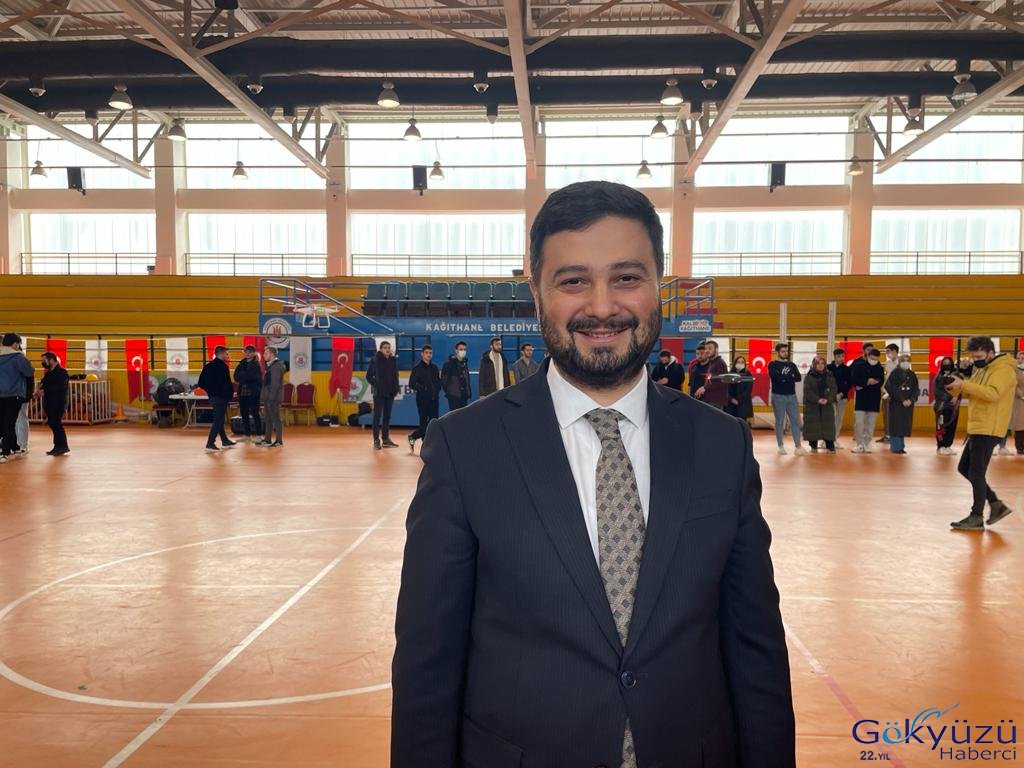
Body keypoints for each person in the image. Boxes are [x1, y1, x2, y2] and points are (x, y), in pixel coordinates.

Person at [392, 180, 794, 768]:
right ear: (536, 292)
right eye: (573, 281)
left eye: (627, 277)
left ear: (659, 286)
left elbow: (755, 648)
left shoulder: (722, 445)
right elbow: (427, 665)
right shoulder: (463, 448)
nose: (602, 307)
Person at [946, 337, 1017, 530]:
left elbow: (993, 394)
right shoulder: (983, 369)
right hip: (978, 426)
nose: (975, 360)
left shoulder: (1003, 370)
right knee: (965, 468)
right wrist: (954, 386)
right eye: (973, 357)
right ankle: (996, 504)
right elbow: (972, 392)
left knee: (976, 472)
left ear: (990, 353)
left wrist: (964, 385)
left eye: (978, 356)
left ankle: (976, 516)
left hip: (989, 427)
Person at [0, 333, 34, 464]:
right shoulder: (18, 357)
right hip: (14, 394)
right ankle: (5, 452)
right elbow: (29, 371)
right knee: (10, 423)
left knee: (2, 421)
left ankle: (14, 447)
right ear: (15, 343)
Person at [196, 345, 237, 453]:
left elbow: (201, 383)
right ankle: (210, 443)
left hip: (213, 397)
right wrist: (228, 393)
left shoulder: (208, 366)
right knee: (218, 421)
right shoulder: (223, 367)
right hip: (221, 398)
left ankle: (224, 441)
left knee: (220, 419)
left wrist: (211, 391)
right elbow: (226, 384)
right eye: (226, 353)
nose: (227, 355)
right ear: (221, 353)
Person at [768, 342, 806, 455]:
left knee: (795, 421)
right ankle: (780, 446)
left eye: (786, 351)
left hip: (792, 396)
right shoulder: (773, 364)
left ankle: (798, 446)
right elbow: (776, 377)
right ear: (777, 352)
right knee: (780, 421)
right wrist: (790, 376)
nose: (785, 353)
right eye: (783, 351)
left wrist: (785, 377)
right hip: (778, 396)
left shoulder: (792, 365)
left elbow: (798, 377)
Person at [407, 344, 441, 454]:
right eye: (426, 353)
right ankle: (425, 444)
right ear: (422, 354)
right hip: (422, 400)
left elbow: (438, 382)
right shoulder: (417, 368)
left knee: (433, 422)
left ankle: (414, 436)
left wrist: (436, 390)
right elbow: (412, 384)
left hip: (434, 399)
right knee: (423, 423)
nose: (429, 355)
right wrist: (424, 388)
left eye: (430, 353)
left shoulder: (434, 368)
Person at [367, 340, 400, 449]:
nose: (387, 349)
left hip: (390, 393)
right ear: (380, 349)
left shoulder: (393, 360)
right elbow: (368, 376)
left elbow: (396, 376)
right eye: (385, 347)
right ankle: (376, 440)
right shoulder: (375, 360)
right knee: (377, 417)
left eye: (389, 347)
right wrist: (378, 385)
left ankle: (385, 439)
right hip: (379, 394)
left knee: (387, 417)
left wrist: (396, 388)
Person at [884, 353, 919, 455]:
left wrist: (911, 400)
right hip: (897, 404)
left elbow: (916, 389)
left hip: (908, 404)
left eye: (908, 360)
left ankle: (901, 447)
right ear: (900, 362)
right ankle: (895, 447)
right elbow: (890, 387)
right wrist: (902, 399)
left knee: (903, 425)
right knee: (896, 425)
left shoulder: (912, 374)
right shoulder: (895, 373)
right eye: (904, 360)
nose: (906, 362)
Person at [851, 348, 884, 453]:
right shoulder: (859, 366)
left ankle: (865, 443)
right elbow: (854, 379)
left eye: (876, 359)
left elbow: (881, 381)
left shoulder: (880, 368)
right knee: (859, 422)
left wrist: (875, 382)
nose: (874, 361)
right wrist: (866, 381)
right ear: (868, 356)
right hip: (861, 398)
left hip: (874, 399)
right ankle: (859, 444)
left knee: (870, 424)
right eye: (872, 358)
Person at [802, 355, 837, 453]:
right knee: (813, 426)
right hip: (813, 406)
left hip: (827, 405)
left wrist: (828, 400)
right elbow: (807, 392)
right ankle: (813, 446)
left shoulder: (830, 376)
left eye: (822, 363)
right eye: (818, 363)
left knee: (828, 426)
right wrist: (817, 400)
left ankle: (830, 446)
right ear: (814, 365)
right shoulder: (809, 377)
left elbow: (834, 389)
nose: (820, 365)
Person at [37, 352, 69, 456]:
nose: (43, 363)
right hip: (49, 403)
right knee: (53, 424)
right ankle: (58, 446)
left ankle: (62, 446)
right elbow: (44, 384)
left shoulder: (62, 372)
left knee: (56, 424)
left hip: (58, 403)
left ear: (51, 360)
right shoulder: (49, 373)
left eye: (44, 360)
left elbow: (60, 387)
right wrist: (39, 390)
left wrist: (45, 390)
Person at [233, 344, 263, 441]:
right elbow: (235, 377)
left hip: (253, 392)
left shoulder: (256, 364)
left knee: (255, 413)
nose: (247, 354)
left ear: (254, 353)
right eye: (246, 352)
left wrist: (243, 375)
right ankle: (247, 435)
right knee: (244, 413)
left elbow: (254, 377)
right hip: (242, 392)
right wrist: (245, 376)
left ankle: (259, 435)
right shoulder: (241, 363)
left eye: (250, 352)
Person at [256, 346, 285, 448]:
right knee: (268, 419)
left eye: (266, 353)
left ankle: (279, 441)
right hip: (268, 397)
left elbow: (275, 385)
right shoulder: (270, 366)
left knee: (276, 419)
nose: (264, 355)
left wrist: (271, 398)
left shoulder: (276, 367)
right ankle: (267, 439)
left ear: (272, 354)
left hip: (273, 398)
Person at [933, 357, 961, 456]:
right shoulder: (938, 377)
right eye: (944, 363)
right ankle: (941, 446)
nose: (947, 365)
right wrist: (951, 396)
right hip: (942, 406)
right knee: (941, 426)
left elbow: (961, 388)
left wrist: (957, 396)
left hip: (953, 407)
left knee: (952, 426)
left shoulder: (956, 376)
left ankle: (948, 445)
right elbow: (937, 392)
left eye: (949, 363)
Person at [827, 348, 852, 447]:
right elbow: (825, 382)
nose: (841, 358)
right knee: (829, 418)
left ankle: (834, 439)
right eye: (839, 356)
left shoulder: (847, 369)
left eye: (842, 356)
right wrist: (832, 394)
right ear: (834, 357)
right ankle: (826, 439)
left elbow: (849, 383)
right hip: (829, 397)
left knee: (839, 418)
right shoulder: (828, 368)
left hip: (842, 397)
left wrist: (841, 394)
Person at [697, 340, 729, 409]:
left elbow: (721, 382)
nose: (707, 351)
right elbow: (710, 380)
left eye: (710, 348)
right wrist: (704, 387)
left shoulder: (720, 363)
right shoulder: (712, 363)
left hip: (716, 401)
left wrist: (704, 388)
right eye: (706, 349)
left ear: (716, 350)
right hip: (710, 400)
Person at [878, 342, 900, 444]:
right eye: (886, 352)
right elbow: (886, 378)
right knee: (885, 414)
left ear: (895, 351)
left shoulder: (901, 364)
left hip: (895, 394)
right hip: (885, 392)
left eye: (888, 351)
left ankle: (895, 435)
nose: (887, 354)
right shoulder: (887, 363)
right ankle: (887, 435)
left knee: (895, 415)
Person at [441, 341, 471, 411]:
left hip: (464, 396)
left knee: (464, 416)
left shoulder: (464, 363)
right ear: (456, 350)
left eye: (464, 349)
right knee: (454, 417)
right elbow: (444, 381)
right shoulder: (448, 364)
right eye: (461, 349)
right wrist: (451, 392)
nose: (463, 351)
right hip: (453, 398)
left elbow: (467, 380)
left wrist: (468, 393)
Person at [726, 355, 754, 423]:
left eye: (742, 362)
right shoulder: (729, 375)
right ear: (735, 363)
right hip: (730, 404)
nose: (740, 364)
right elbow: (726, 389)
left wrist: (739, 400)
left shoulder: (748, 375)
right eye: (738, 362)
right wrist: (731, 399)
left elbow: (748, 391)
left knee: (742, 424)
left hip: (743, 404)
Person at [1012, 349, 1024, 455]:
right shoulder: (1014, 370)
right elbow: (1014, 385)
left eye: (1023, 358)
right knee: (1020, 425)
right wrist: (1022, 395)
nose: (1020, 360)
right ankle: (1020, 447)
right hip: (1019, 400)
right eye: (1018, 358)